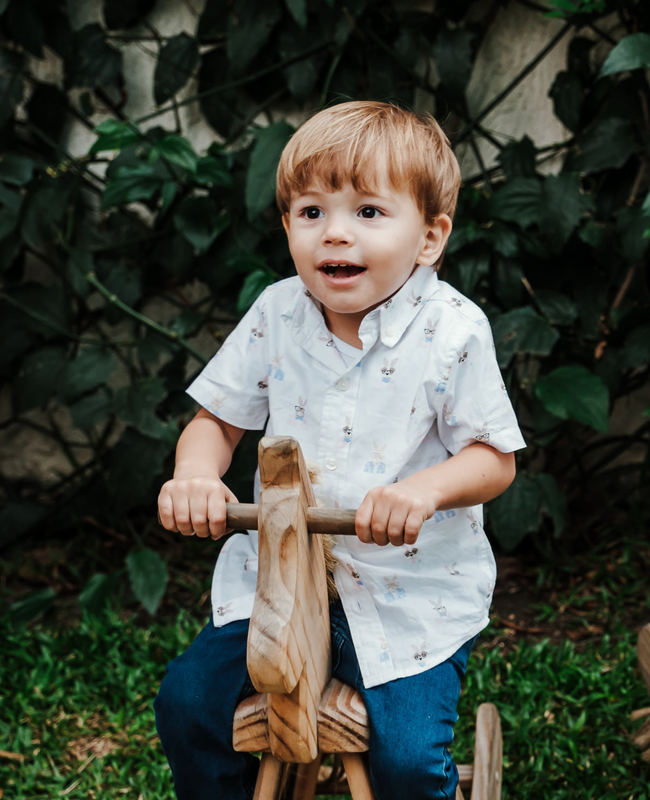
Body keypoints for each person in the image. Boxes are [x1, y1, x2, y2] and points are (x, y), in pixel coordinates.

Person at [153, 101, 524, 800]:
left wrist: (422, 492)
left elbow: (493, 458)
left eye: (369, 212)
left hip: (407, 594)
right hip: (277, 587)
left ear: (430, 237)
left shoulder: (453, 331)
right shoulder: (277, 313)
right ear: (288, 227)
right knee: (188, 707)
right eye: (311, 212)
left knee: (405, 760)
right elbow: (215, 422)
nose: (335, 233)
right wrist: (195, 473)